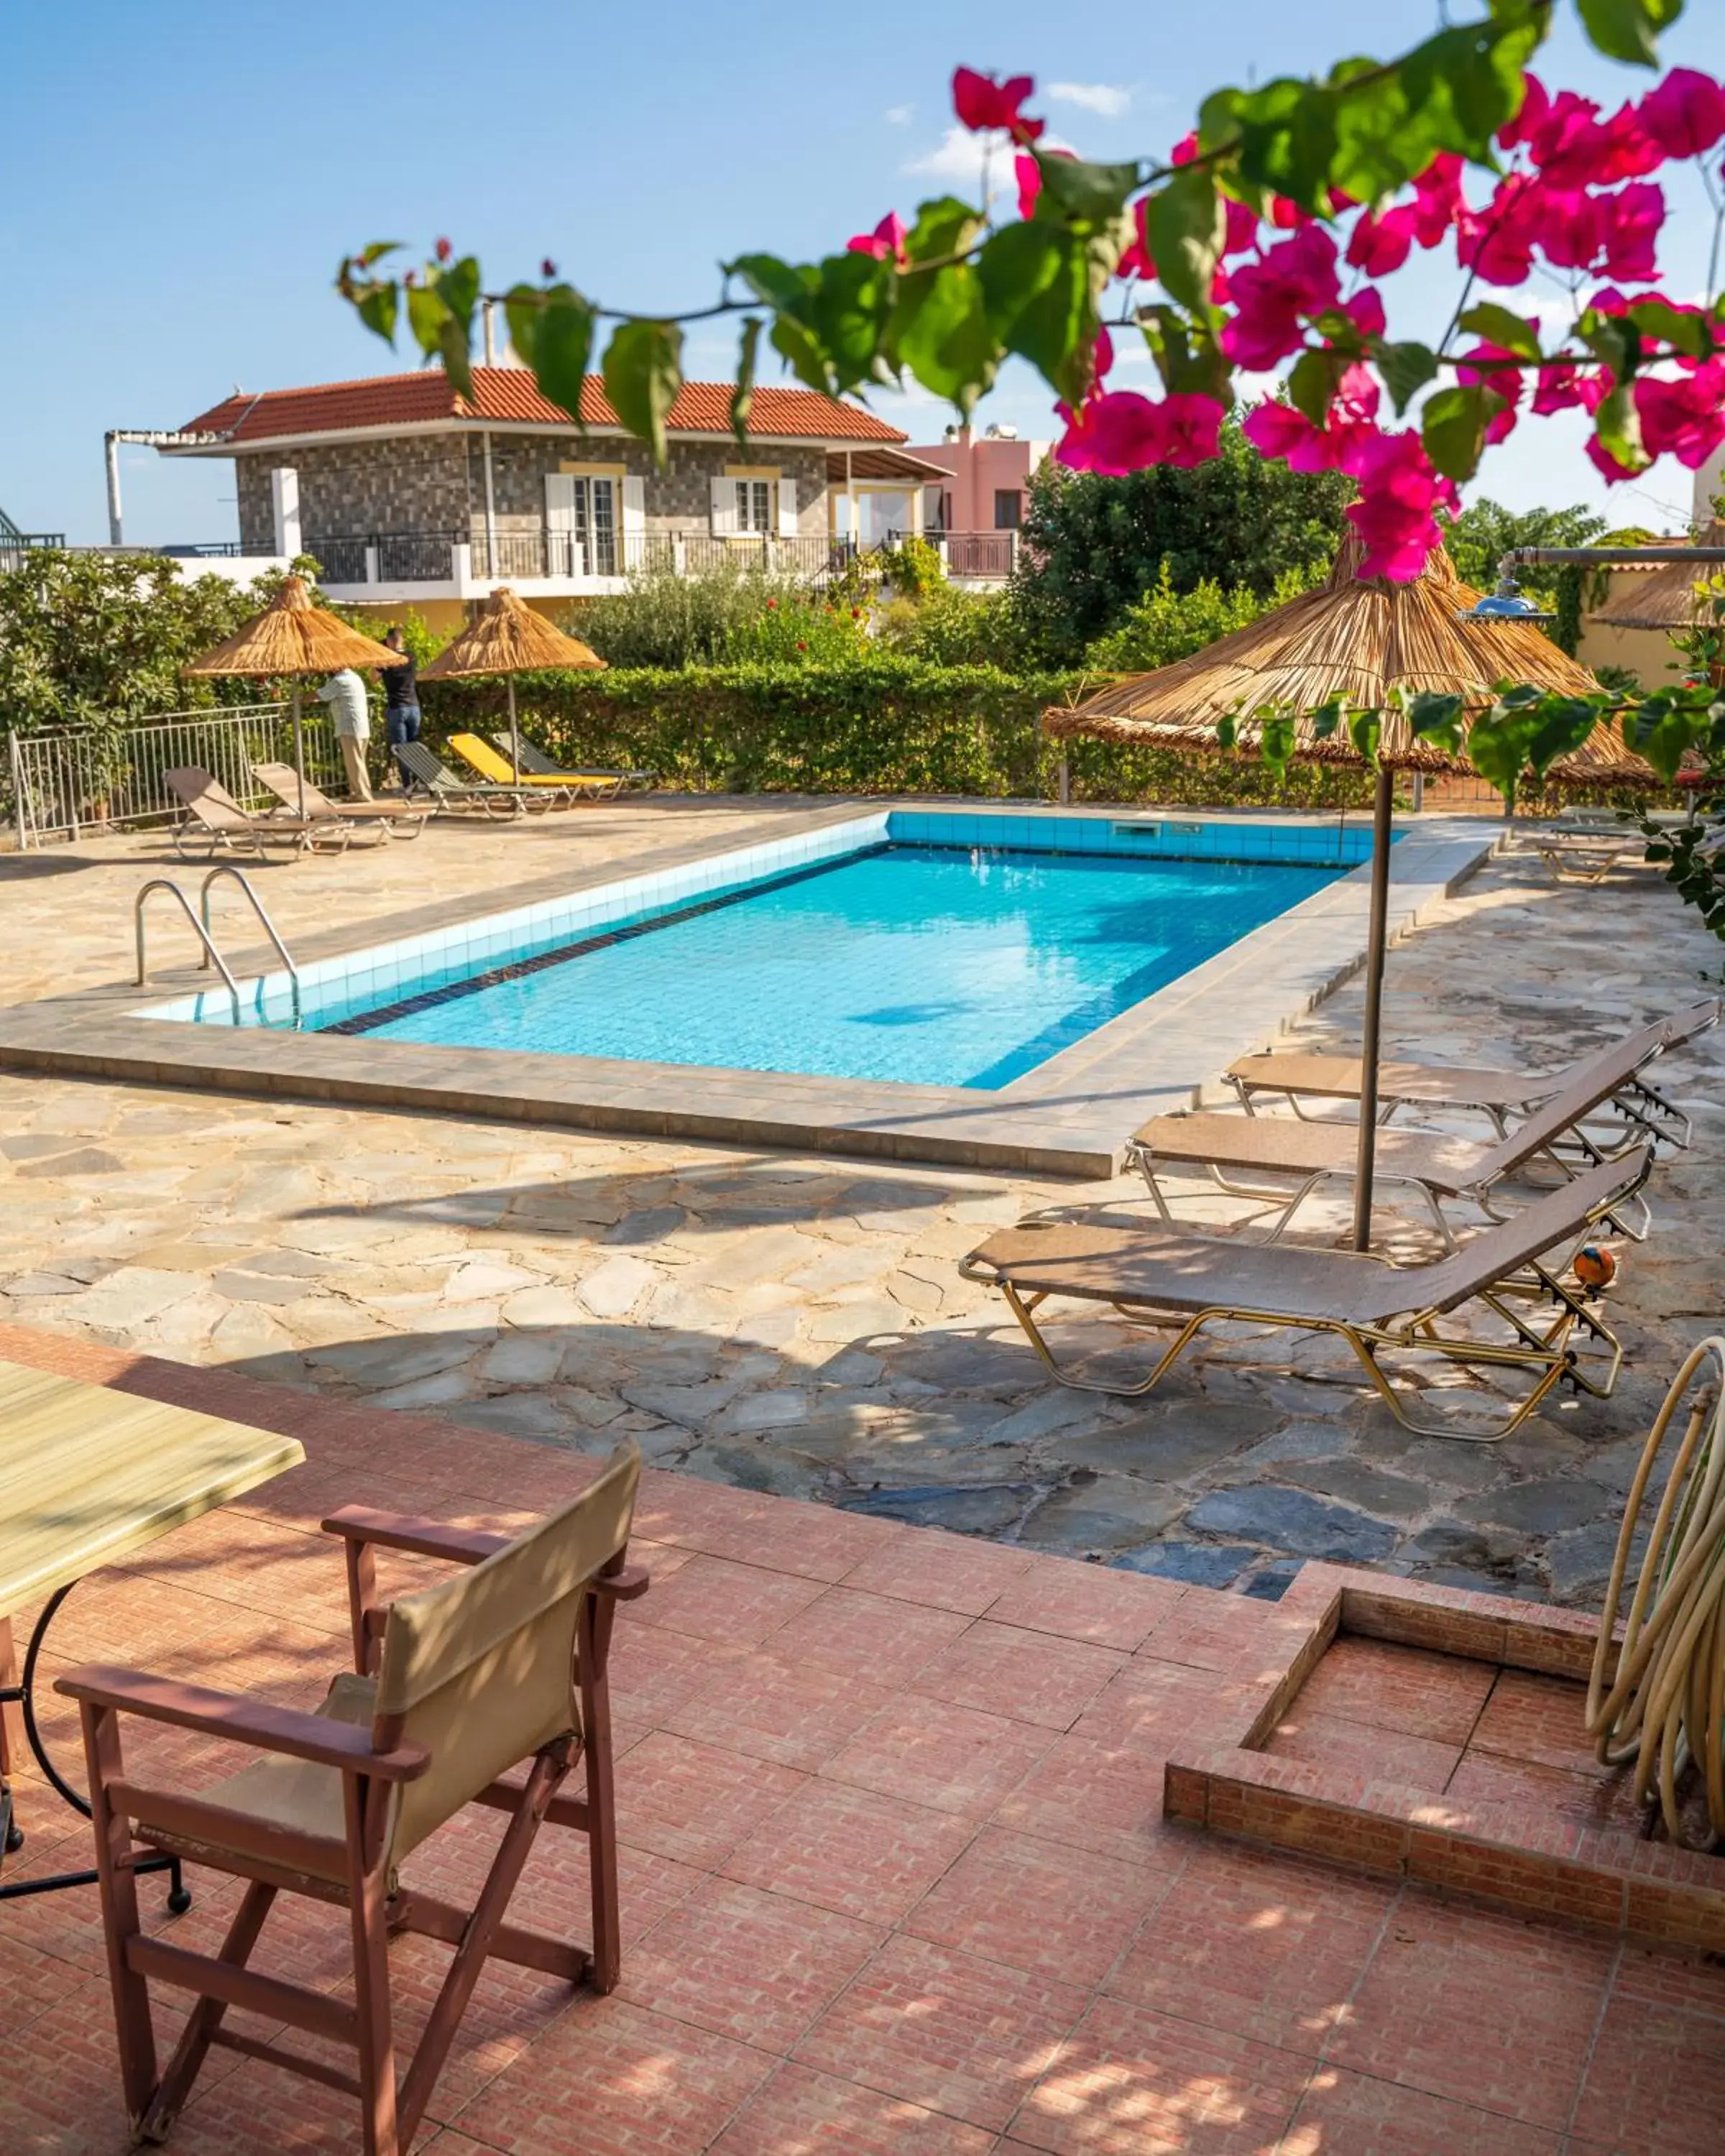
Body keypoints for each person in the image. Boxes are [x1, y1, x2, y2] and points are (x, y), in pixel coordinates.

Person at [313, 667, 373, 801]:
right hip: (361, 726)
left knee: (355, 762)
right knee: (357, 761)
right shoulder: (355, 677)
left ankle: (363, 794)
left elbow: (321, 694)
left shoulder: (340, 680)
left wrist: (300, 698)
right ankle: (357, 793)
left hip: (349, 727)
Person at [380, 626, 422, 790]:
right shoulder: (411, 656)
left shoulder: (386, 662)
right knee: (415, 748)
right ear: (402, 639)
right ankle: (420, 783)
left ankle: (407, 785)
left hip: (397, 709)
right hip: (414, 706)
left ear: (389, 642)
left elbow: (373, 678)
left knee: (402, 750)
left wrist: (381, 656)